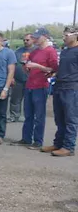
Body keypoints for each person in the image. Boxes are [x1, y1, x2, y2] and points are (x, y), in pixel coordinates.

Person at [16, 28, 59, 149]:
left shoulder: (50, 51)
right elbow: (29, 69)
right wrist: (26, 67)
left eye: (37, 37)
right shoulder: (34, 52)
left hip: (41, 86)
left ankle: (38, 141)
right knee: (28, 114)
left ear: (45, 37)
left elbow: (54, 69)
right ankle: (26, 138)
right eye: (34, 37)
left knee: (39, 115)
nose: (35, 39)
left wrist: (38, 66)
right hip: (30, 84)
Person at [41, 25, 78, 157]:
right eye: (63, 35)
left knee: (71, 119)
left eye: (66, 35)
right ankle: (58, 143)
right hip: (59, 86)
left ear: (76, 35)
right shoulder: (65, 51)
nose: (63, 38)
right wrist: (53, 73)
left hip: (72, 88)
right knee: (60, 119)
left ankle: (68, 147)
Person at [9, 34, 35, 122]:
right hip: (18, 79)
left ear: (33, 40)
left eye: (27, 40)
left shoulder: (37, 51)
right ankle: (14, 116)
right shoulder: (18, 51)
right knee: (15, 99)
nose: (25, 41)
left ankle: (30, 117)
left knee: (31, 100)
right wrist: (12, 77)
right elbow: (12, 64)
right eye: (24, 40)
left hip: (32, 80)